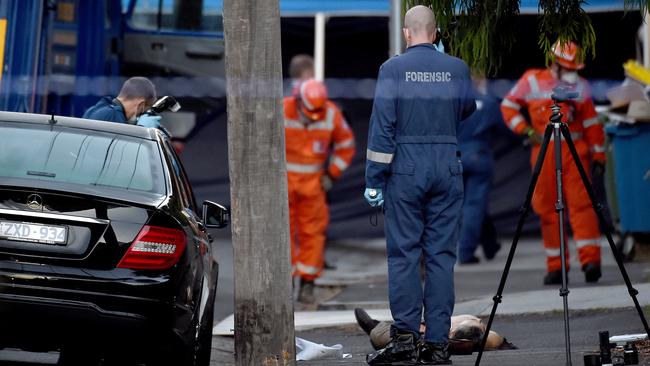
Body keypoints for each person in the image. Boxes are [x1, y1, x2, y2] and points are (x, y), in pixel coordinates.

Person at [363, 5, 475, 365]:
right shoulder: (456, 67)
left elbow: (383, 125)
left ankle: (407, 340)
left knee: (404, 255)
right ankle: (438, 345)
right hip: (447, 164)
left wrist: (373, 179)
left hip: (406, 170)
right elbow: (468, 108)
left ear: (407, 33)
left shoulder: (392, 69)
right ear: (436, 32)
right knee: (441, 257)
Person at [500, 41, 606, 285]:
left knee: (582, 206)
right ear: (553, 62)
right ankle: (557, 267)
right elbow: (508, 107)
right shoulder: (532, 80)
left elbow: (591, 122)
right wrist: (526, 131)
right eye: (566, 67)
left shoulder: (580, 85)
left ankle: (591, 263)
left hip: (575, 149)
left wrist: (599, 154)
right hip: (544, 149)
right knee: (547, 208)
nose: (570, 72)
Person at [284, 78, 356, 304]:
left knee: (312, 233)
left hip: (313, 185)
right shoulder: (281, 109)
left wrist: (331, 174)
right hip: (282, 183)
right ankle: (283, 283)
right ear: (298, 101)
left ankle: (307, 284)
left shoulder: (331, 113)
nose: (313, 117)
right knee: (282, 233)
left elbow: (346, 146)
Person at [457, 77, 503, 264]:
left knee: (464, 206)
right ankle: (466, 253)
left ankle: (490, 244)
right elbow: (506, 128)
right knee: (474, 206)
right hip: (479, 156)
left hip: (455, 157)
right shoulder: (490, 102)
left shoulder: (451, 103)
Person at [353, 308, 516, 354]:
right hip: (444, 332)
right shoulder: (484, 334)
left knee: (382, 335)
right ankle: (377, 327)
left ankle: (374, 325)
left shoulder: (453, 333)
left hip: (428, 333)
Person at [83, 76, 161, 128]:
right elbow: (125, 150)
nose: (140, 115)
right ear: (141, 104)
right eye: (144, 111)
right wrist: (142, 129)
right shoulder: (114, 116)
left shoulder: (95, 109)